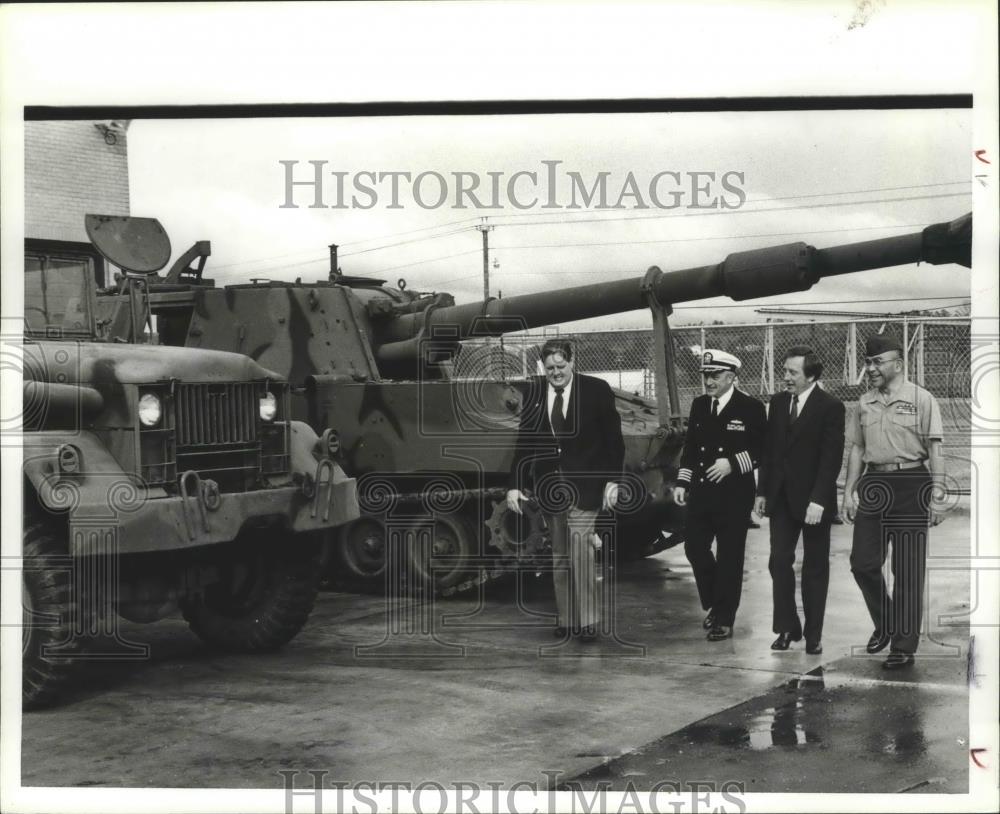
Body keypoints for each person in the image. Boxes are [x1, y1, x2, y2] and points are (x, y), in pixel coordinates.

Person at [507, 339, 624, 642]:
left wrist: (614, 480)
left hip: (587, 486)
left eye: (561, 366)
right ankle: (566, 618)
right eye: (550, 368)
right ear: (542, 368)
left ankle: (586, 621)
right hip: (550, 488)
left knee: (581, 549)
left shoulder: (596, 390)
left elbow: (614, 440)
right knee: (559, 555)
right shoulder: (534, 393)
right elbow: (524, 443)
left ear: (572, 362)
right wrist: (514, 486)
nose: (556, 373)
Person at [842, 334, 946, 670]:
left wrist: (939, 496)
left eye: (877, 362)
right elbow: (857, 449)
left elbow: (935, 449)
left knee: (907, 570)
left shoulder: (922, 398)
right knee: (863, 563)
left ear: (897, 364)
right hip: (874, 483)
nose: (870, 368)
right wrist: (848, 491)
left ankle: (903, 645)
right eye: (868, 362)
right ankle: (886, 620)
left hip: (912, 482)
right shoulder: (864, 402)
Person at [755, 346, 845, 656]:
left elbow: (830, 458)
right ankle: (787, 627)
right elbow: (770, 451)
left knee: (815, 568)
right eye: (785, 371)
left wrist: (818, 500)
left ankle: (813, 635)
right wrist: (762, 492)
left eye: (792, 372)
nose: (786, 377)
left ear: (811, 376)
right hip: (780, 498)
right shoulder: (778, 403)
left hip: (814, 501)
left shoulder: (830, 407)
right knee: (778, 561)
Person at [673, 350, 765, 641]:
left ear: (731, 377)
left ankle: (724, 618)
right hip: (702, 491)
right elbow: (690, 447)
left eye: (715, 376)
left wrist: (732, 464)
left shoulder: (750, 407)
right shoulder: (700, 405)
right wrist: (682, 482)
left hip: (734, 494)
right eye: (706, 376)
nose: (708, 381)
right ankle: (716, 600)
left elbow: (763, 450)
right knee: (694, 548)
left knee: (730, 557)